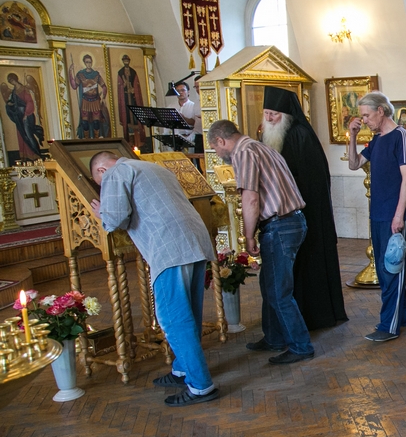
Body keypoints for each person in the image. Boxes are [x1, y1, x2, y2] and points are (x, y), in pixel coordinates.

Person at [89, 151, 219, 406]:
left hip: (169, 248)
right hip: (195, 240)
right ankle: (182, 369)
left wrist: (101, 214)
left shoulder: (115, 173)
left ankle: (201, 386)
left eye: (99, 183)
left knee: (173, 318)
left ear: (102, 170)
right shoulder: (153, 167)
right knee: (189, 312)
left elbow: (115, 218)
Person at [207, 119, 315, 364]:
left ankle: (301, 346)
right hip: (291, 221)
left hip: (279, 225)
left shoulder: (244, 153)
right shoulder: (262, 147)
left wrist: (248, 236)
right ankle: (274, 337)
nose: (218, 153)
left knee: (279, 292)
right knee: (269, 286)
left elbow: (251, 199)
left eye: (215, 148)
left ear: (221, 140)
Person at [260, 86, 348, 331]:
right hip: (281, 213)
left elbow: (312, 180)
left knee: (308, 265)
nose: (269, 118)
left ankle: (311, 316)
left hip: (305, 212)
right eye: (266, 113)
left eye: (274, 114)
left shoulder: (300, 135)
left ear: (286, 115)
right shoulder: (268, 137)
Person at [347, 91, 406, 342]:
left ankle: (389, 326)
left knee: (391, 269)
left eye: (367, 115)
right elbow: (354, 164)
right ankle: (402, 317)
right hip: (377, 214)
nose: (364, 120)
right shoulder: (376, 140)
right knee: (385, 268)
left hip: (392, 215)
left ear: (381, 111)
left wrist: (399, 216)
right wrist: (353, 137)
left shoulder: (401, 136)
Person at [3, 73, 45, 159]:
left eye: (12, 80)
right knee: (22, 136)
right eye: (10, 81)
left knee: (28, 135)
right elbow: (13, 102)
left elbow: (29, 102)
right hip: (19, 116)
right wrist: (10, 104)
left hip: (27, 115)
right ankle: (26, 156)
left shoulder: (24, 89)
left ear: (15, 79)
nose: (11, 82)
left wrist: (26, 114)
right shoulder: (14, 91)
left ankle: (36, 154)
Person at [68, 54, 109, 138]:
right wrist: (70, 72)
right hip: (85, 101)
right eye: (87, 62)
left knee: (96, 122)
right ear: (84, 63)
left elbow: (104, 86)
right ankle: (86, 139)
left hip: (95, 101)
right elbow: (74, 86)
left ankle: (96, 139)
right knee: (85, 123)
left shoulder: (96, 74)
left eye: (90, 62)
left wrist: (103, 97)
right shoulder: (80, 74)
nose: (89, 64)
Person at [117, 54, 146, 150]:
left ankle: (138, 142)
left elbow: (136, 85)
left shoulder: (133, 72)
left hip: (133, 100)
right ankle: (130, 143)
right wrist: (124, 86)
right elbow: (120, 87)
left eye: (127, 60)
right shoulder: (120, 72)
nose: (126, 62)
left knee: (135, 120)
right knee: (128, 120)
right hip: (125, 99)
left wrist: (134, 90)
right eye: (124, 61)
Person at [175, 82, 202, 151]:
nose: (180, 92)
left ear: (188, 92)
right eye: (196, 87)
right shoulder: (197, 103)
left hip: (198, 135)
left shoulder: (193, 105)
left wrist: (184, 118)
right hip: (179, 138)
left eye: (183, 90)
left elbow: (195, 122)